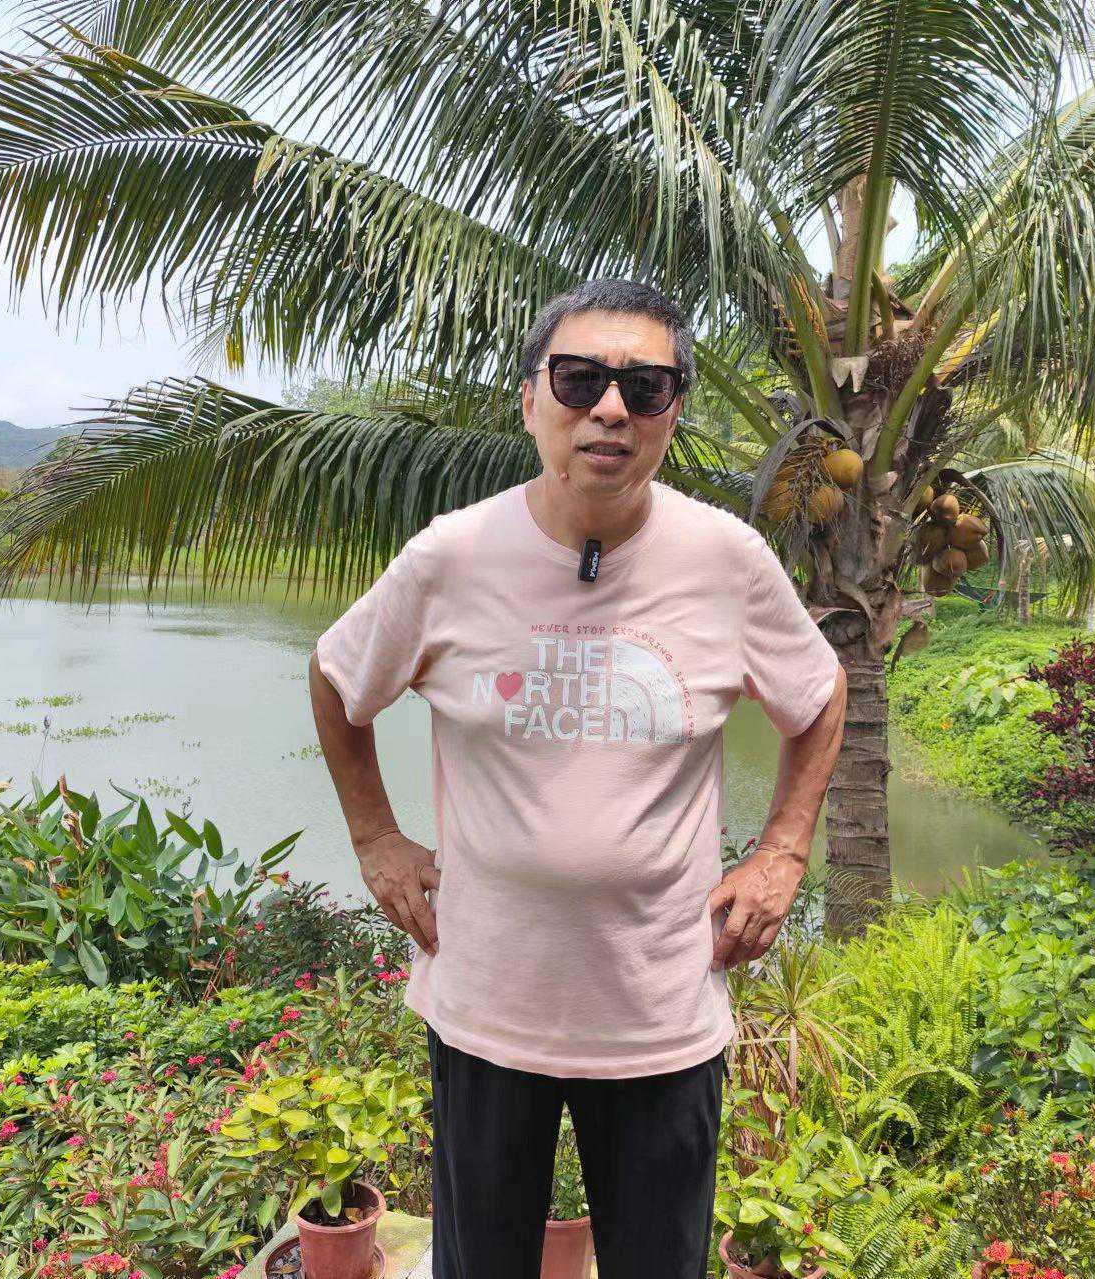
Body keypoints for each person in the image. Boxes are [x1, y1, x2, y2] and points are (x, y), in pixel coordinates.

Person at [308, 278, 848, 1279]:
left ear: (672, 413)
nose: (609, 408)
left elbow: (817, 696)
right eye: (578, 379)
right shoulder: (451, 558)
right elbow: (340, 681)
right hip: (487, 1002)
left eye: (644, 387)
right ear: (531, 400)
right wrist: (376, 837)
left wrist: (783, 848)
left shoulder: (726, 561)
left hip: (660, 1010)